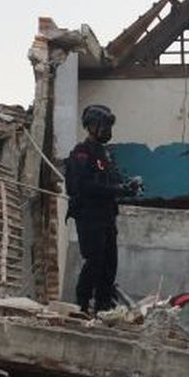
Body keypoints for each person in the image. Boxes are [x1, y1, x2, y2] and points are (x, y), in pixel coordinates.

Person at [64, 104, 142, 314]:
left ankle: (102, 305)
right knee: (94, 261)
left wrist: (128, 188)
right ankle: (81, 304)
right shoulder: (81, 153)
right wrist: (116, 189)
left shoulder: (105, 154)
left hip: (107, 216)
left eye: (108, 126)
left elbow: (114, 182)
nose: (106, 130)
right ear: (90, 126)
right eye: (103, 125)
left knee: (110, 263)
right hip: (89, 217)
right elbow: (82, 186)